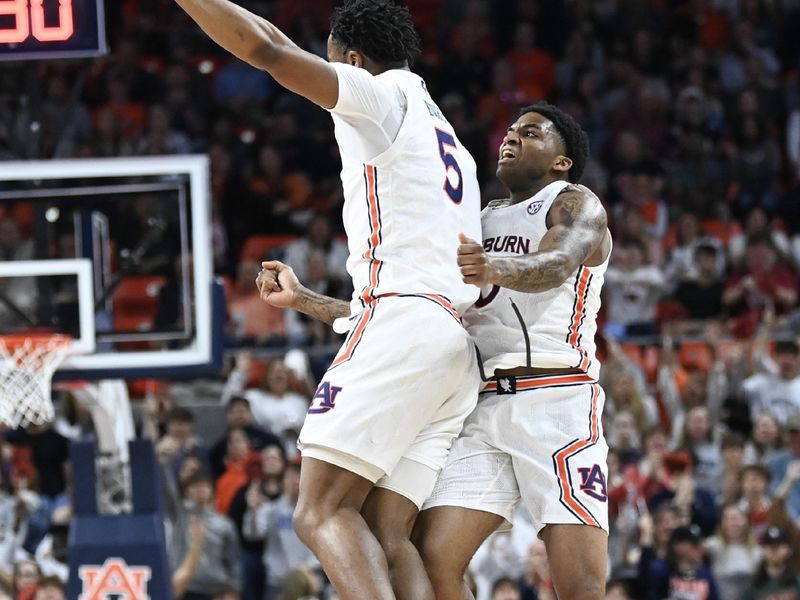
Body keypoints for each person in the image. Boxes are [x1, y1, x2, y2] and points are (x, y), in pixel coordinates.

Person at [175, 1, 482, 598]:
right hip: (449, 344)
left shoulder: (376, 95)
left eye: (333, 58)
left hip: (402, 327)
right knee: (386, 535)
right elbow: (273, 37)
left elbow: (266, 52)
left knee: (317, 513)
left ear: (355, 61)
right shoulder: (448, 139)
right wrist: (309, 301)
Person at [414, 103, 612, 600]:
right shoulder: (475, 220)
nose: (511, 137)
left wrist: (493, 268)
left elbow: (557, 261)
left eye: (529, 132)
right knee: (431, 557)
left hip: (558, 399)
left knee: (580, 587)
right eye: (508, 130)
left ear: (561, 161)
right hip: (483, 404)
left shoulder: (574, 202)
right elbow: (414, 302)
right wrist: (307, 300)